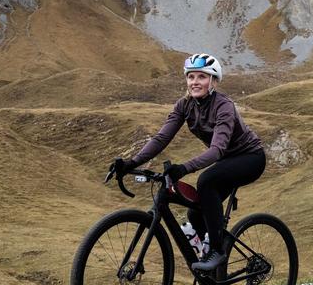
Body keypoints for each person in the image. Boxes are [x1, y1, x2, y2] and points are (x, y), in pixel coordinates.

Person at [112, 53, 266, 273]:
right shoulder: (184, 105)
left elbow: (217, 150)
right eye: (191, 76)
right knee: (195, 213)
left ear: (213, 81)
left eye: (202, 77)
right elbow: (161, 138)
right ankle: (212, 273)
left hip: (250, 158)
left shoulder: (224, 106)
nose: (195, 82)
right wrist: (131, 162)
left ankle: (217, 252)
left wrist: (183, 168)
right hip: (226, 162)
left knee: (206, 181)